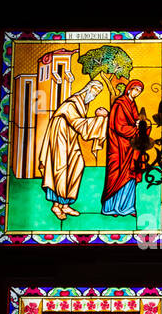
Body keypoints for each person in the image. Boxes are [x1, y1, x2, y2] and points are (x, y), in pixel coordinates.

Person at [37, 81, 109, 220]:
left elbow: (80, 125)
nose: (95, 95)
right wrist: (100, 118)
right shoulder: (71, 104)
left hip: (70, 138)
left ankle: (65, 205)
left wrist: (100, 118)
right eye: (94, 91)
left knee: (77, 166)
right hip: (59, 139)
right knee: (60, 169)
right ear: (87, 88)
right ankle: (56, 205)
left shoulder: (82, 103)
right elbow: (80, 125)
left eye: (97, 92)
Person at [102, 80, 146, 216]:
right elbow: (118, 126)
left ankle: (127, 207)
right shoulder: (120, 104)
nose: (137, 92)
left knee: (130, 173)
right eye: (135, 89)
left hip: (130, 148)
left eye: (139, 91)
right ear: (129, 89)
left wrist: (139, 124)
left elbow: (132, 122)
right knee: (116, 175)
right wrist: (135, 128)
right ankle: (111, 208)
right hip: (118, 147)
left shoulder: (132, 104)